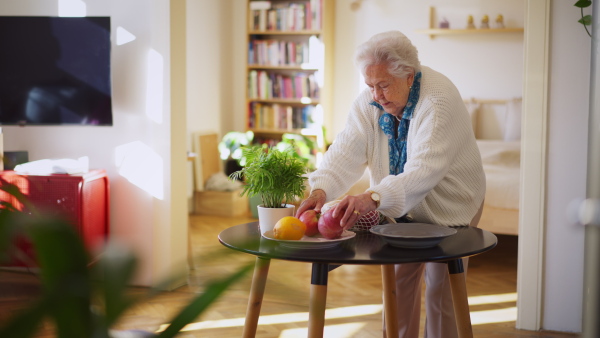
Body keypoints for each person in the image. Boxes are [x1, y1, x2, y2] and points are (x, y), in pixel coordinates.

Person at [295, 30, 486, 338]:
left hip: (451, 206)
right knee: (397, 284)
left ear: (409, 77)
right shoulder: (369, 102)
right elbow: (345, 151)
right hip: (400, 211)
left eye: (383, 85)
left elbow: (422, 171)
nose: (376, 94)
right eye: (369, 84)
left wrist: (373, 195)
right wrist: (321, 189)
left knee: (442, 288)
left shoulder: (437, 102)